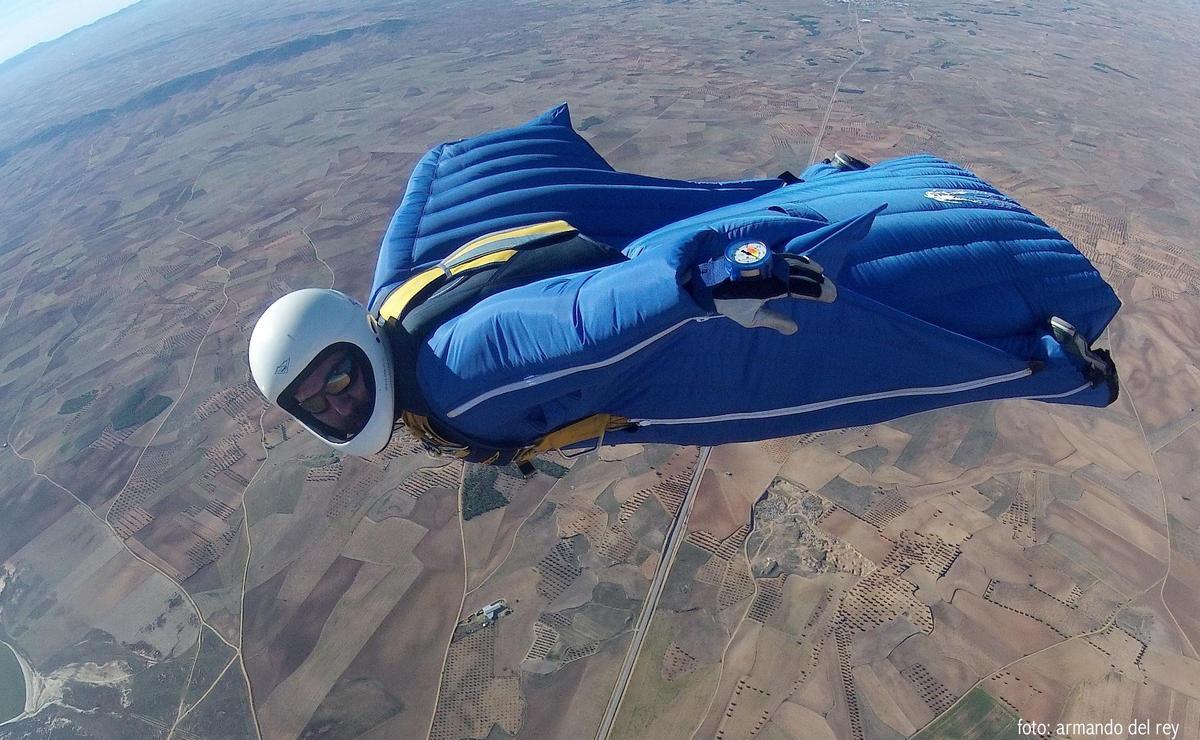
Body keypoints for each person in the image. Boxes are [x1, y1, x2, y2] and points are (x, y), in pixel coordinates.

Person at [249, 105, 1120, 467]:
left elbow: (576, 328)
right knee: (754, 221)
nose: (340, 399)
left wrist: (695, 287)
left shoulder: (454, 381)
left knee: (845, 370)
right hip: (634, 277)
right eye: (320, 402)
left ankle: (1050, 360)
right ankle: (818, 183)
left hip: (669, 343)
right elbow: (435, 185)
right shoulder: (395, 299)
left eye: (337, 377)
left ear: (348, 341)